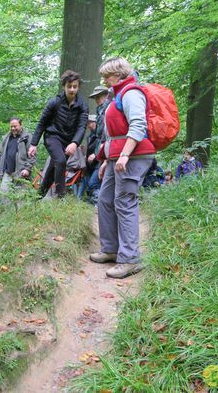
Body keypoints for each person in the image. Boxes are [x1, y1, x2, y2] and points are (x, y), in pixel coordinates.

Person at [89, 57, 154, 279]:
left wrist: (125, 154)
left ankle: (130, 259)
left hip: (134, 156)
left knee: (125, 203)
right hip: (117, 157)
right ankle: (111, 249)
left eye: (107, 76)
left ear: (119, 74)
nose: (104, 80)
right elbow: (113, 134)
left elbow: (138, 125)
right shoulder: (118, 94)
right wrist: (107, 159)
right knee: (105, 199)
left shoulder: (132, 93)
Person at [29, 70, 89, 198]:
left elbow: (82, 126)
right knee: (61, 161)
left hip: (69, 141)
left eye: (75, 86)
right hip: (53, 137)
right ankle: (60, 196)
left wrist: (75, 142)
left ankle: (36, 199)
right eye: (69, 86)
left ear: (78, 87)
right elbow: (42, 123)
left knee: (51, 171)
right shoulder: (54, 102)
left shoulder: (82, 105)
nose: (72, 89)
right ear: (64, 86)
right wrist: (33, 144)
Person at [0, 117, 36, 202]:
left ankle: (19, 215)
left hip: (21, 173)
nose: (13, 128)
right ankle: (5, 215)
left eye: (15, 126)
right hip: (7, 172)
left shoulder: (27, 137)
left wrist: (27, 169)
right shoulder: (6, 138)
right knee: (4, 196)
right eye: (11, 126)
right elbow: (0, 154)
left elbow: (32, 156)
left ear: (21, 125)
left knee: (20, 198)